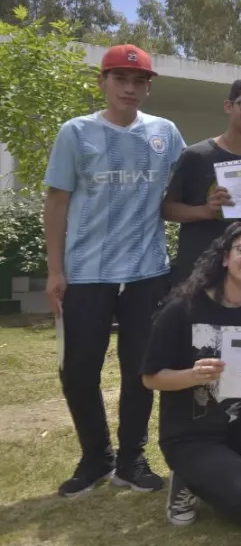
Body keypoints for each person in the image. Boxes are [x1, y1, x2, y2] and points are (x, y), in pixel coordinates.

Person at [43, 44, 185, 498]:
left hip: (147, 272)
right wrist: (54, 270)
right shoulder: (76, 132)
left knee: (141, 370)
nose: (130, 87)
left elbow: (199, 168)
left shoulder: (164, 132)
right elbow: (57, 202)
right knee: (80, 370)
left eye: (139, 80)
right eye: (120, 78)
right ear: (103, 82)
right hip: (86, 274)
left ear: (147, 86)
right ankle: (95, 457)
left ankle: (130, 460)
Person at [142, 222, 241, 533]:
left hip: (238, 425)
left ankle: (236, 484)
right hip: (190, 434)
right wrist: (192, 375)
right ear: (226, 257)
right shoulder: (182, 309)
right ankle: (188, 482)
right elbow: (151, 378)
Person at [163, 77, 241, 284]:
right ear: (228, 106)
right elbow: (167, 209)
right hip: (198, 274)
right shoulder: (196, 155)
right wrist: (206, 211)